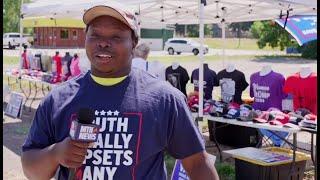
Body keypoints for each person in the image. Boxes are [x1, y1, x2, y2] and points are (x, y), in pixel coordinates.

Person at [21, 4, 219, 180]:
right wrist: (55, 153)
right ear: (86, 39)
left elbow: (197, 164)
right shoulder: (57, 99)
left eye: (116, 36)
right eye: (95, 35)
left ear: (133, 43)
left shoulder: (166, 99)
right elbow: (32, 171)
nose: (104, 43)